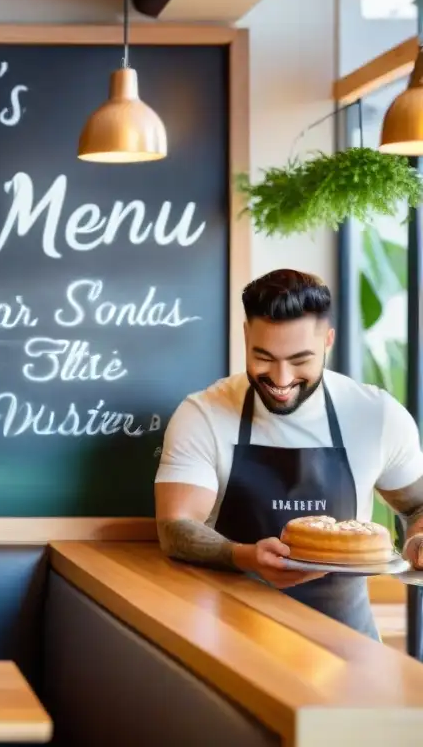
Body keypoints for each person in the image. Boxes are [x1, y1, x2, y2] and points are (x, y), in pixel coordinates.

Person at [154, 268, 423, 639]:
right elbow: (175, 528)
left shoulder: (376, 415)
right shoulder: (204, 414)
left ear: (328, 341)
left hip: (347, 640)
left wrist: (417, 539)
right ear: (246, 336)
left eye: (299, 361)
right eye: (263, 357)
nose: (281, 379)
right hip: (228, 635)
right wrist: (247, 556)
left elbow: (417, 506)